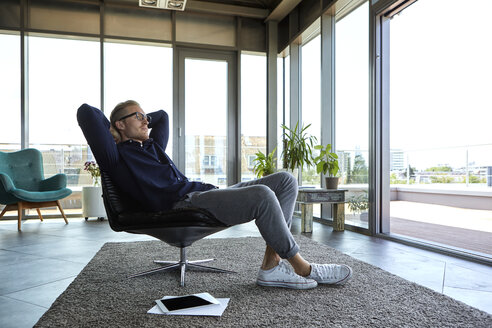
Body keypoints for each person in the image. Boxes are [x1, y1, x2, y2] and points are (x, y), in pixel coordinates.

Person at [77, 100, 353, 290]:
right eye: (138, 117)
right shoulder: (115, 157)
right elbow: (87, 113)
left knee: (285, 181)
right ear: (119, 124)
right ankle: (303, 268)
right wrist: (115, 129)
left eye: (144, 116)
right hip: (181, 203)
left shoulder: (153, 146)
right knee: (262, 196)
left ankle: (271, 266)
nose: (147, 121)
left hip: (201, 192)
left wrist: (138, 118)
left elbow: (162, 116)